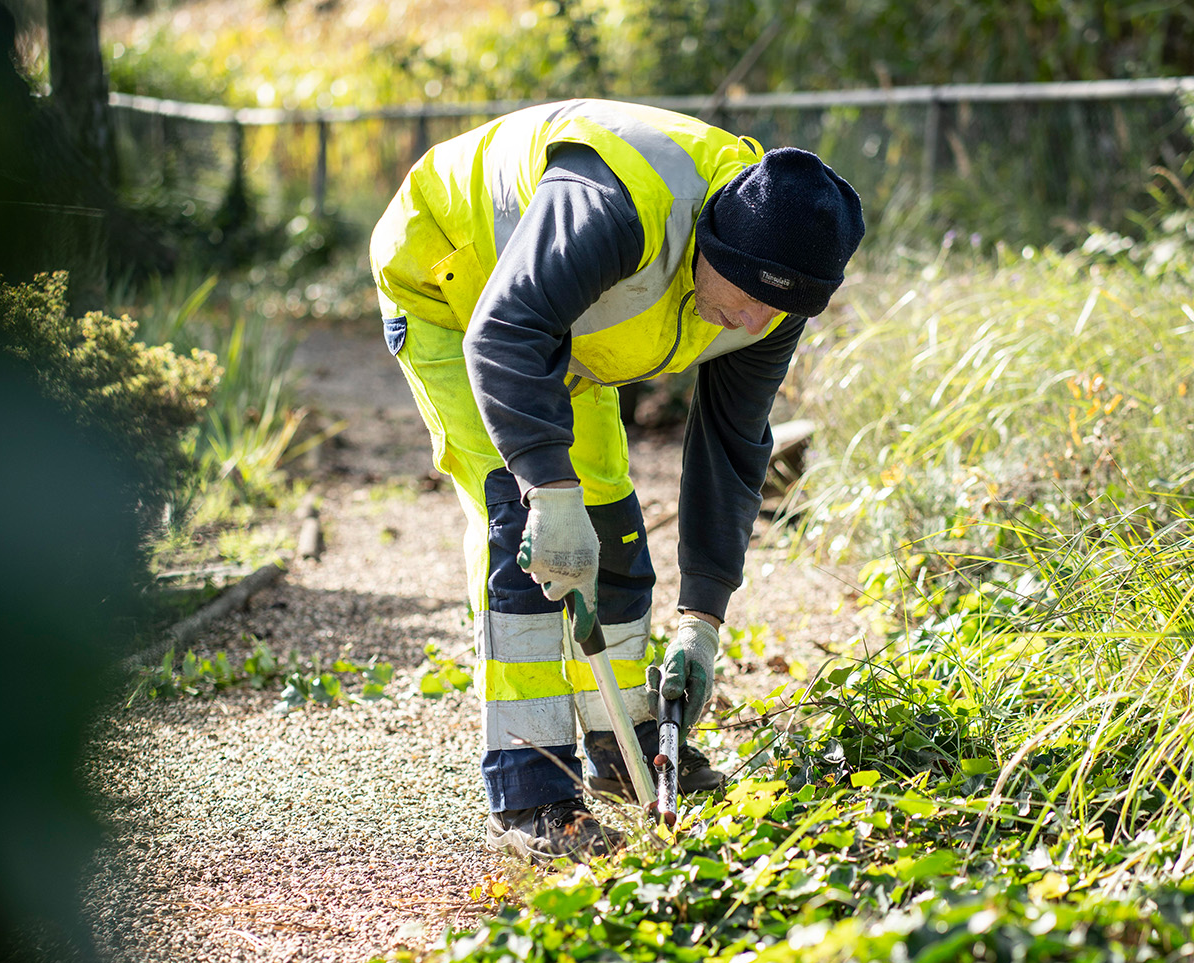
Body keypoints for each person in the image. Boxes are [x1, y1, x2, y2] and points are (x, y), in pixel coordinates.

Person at [370, 100, 864, 861]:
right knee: (525, 533)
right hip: (453, 285)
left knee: (614, 535)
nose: (749, 322)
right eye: (744, 295)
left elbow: (733, 447)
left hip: (572, 326)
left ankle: (627, 744)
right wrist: (548, 491)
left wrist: (702, 619)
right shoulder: (619, 203)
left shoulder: (774, 294)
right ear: (710, 239)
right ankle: (533, 790)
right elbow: (504, 332)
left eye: (779, 311)